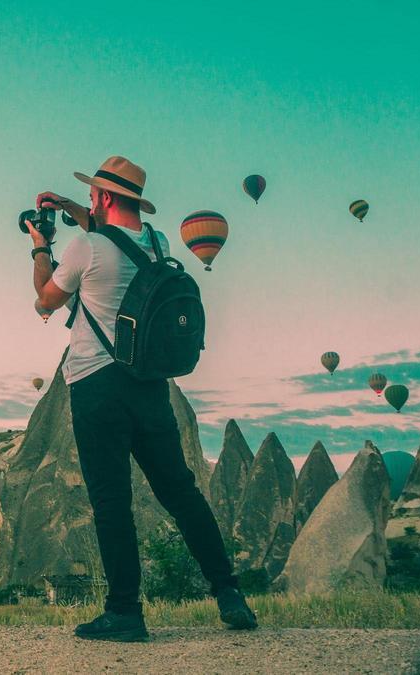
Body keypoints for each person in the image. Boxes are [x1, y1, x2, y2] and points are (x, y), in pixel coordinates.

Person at [26, 156, 257, 642]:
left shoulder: (83, 248)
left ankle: (125, 612)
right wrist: (70, 205)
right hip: (151, 386)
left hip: (96, 385)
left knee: (112, 501)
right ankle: (229, 593)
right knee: (181, 492)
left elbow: (46, 300)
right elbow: (115, 235)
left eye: (92, 195)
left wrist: (40, 247)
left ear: (105, 198)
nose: (89, 202)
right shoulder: (158, 245)